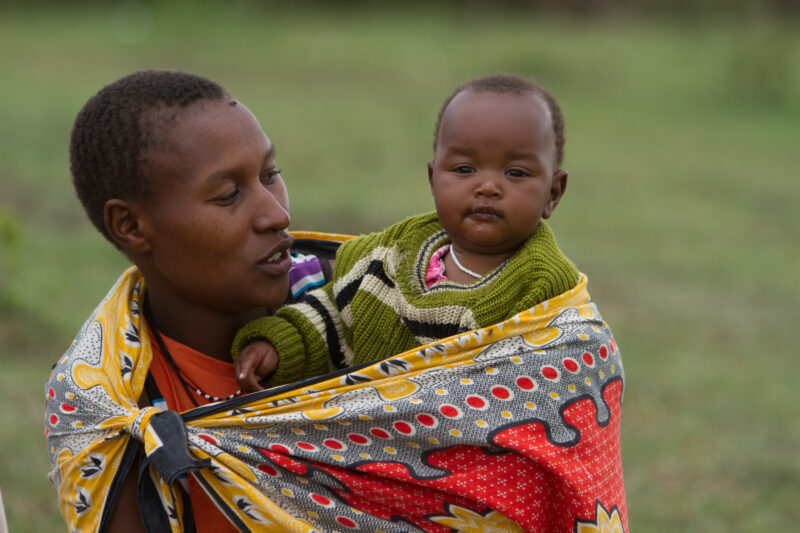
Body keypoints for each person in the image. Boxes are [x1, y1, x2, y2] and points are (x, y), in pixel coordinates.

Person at [44, 69, 315, 533]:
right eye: (228, 195)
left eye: (270, 175)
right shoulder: (109, 402)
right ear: (131, 226)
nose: (276, 213)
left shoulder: (365, 301)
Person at [233, 73, 577, 392]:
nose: (487, 186)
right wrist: (279, 346)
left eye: (516, 173)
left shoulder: (546, 288)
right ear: (433, 180)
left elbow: (549, 383)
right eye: (464, 169)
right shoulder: (389, 257)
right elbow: (334, 316)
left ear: (553, 194)